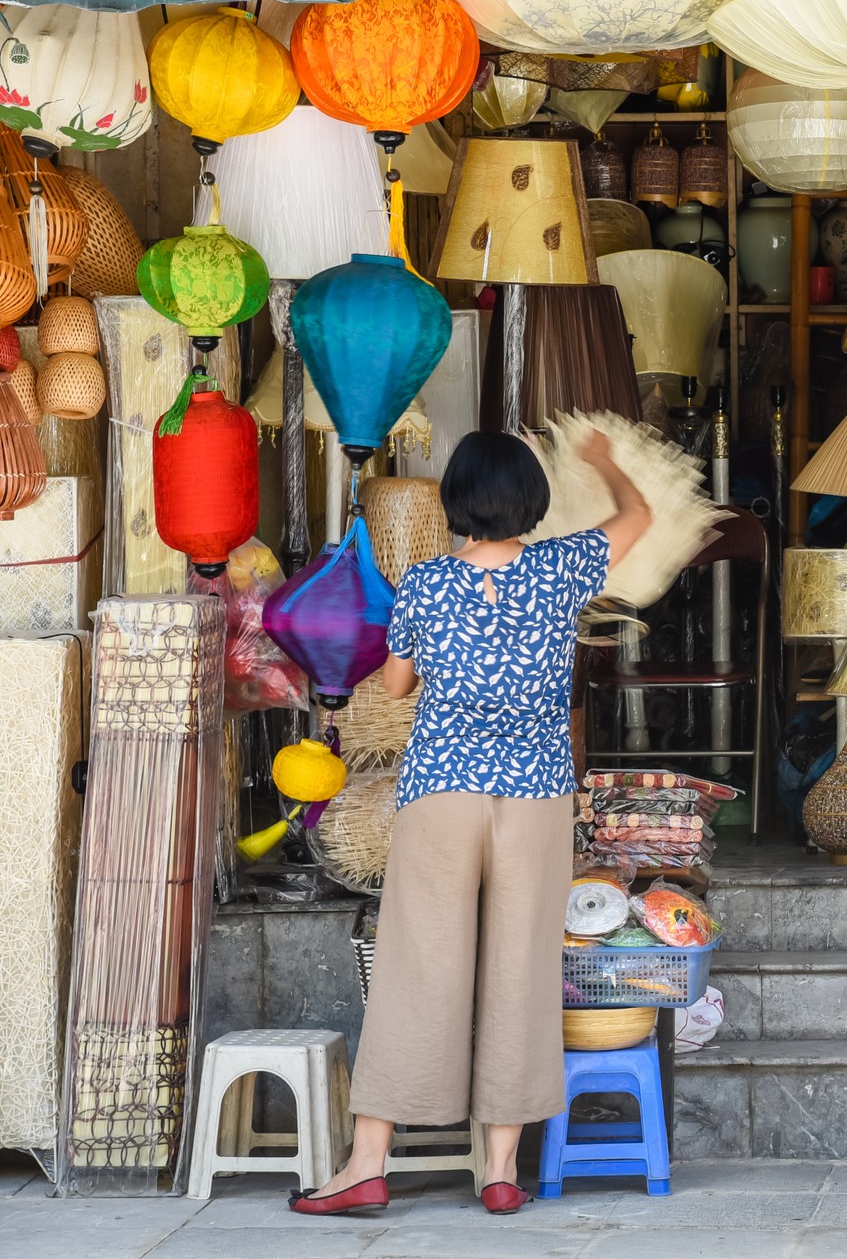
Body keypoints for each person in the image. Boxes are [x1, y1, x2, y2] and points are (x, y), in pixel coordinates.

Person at [291, 429, 651, 1217]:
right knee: (520, 972)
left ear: (455, 501)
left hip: (442, 794)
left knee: (418, 968)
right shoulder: (561, 568)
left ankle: (368, 1164)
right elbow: (638, 516)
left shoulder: (425, 585)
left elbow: (395, 686)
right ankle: (500, 1171)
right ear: (531, 500)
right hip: (534, 797)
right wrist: (602, 462)